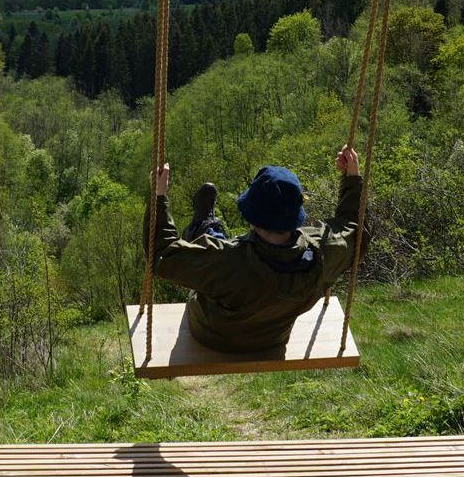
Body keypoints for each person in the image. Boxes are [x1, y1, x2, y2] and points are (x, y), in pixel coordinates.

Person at [147, 145, 364, 354]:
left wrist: (158, 196)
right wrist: (351, 177)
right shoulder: (322, 254)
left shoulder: (225, 260)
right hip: (272, 338)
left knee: (218, 251)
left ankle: (205, 227)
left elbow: (163, 254)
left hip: (213, 334)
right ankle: (208, 227)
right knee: (229, 255)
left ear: (252, 215)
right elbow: (353, 230)